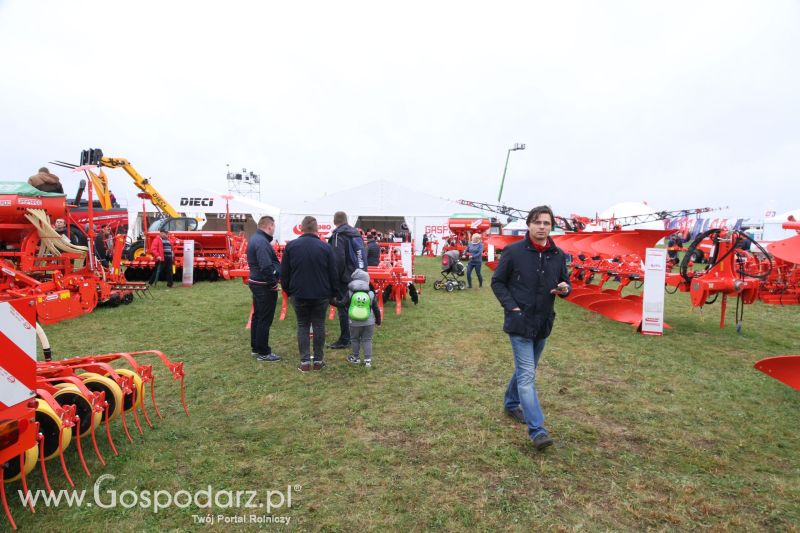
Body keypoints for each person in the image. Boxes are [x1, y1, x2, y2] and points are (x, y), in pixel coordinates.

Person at [491, 205, 571, 452]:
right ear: (528, 225)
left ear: (551, 227)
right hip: (519, 323)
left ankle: (510, 402)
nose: (541, 227)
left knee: (526, 370)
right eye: (537, 222)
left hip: (543, 323)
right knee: (527, 376)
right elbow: (497, 282)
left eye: (546, 223)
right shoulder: (514, 252)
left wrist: (565, 288)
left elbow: (565, 282)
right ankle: (538, 430)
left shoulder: (557, 255)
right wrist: (512, 308)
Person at [281, 216, 338, 372]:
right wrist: (333, 293)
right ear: (316, 229)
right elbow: (333, 273)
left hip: (299, 293)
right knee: (319, 325)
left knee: (303, 325)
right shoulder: (325, 247)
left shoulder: (291, 247)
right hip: (321, 294)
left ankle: (305, 362)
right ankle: (318, 360)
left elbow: (284, 273)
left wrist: (289, 290)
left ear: (301, 228)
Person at [327, 211, 366, 350]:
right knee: (355, 306)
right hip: (358, 275)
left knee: (343, 308)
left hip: (345, 278)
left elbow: (337, 260)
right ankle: (357, 335)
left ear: (334, 221)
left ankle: (345, 339)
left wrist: (334, 281)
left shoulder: (338, 236)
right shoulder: (356, 234)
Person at [246, 215, 281, 363]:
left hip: (257, 282)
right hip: (263, 284)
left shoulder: (256, 239)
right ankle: (264, 352)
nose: (274, 230)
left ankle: (256, 347)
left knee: (258, 316)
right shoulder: (261, 242)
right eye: (274, 227)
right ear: (269, 226)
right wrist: (273, 283)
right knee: (264, 319)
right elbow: (266, 266)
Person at [343, 269, 382, 368]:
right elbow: (376, 309)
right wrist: (378, 320)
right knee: (367, 340)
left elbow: (343, 304)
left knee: (355, 339)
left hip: (354, 321)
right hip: (369, 321)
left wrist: (332, 301)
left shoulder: (350, 292)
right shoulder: (371, 293)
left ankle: (355, 358)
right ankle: (367, 361)